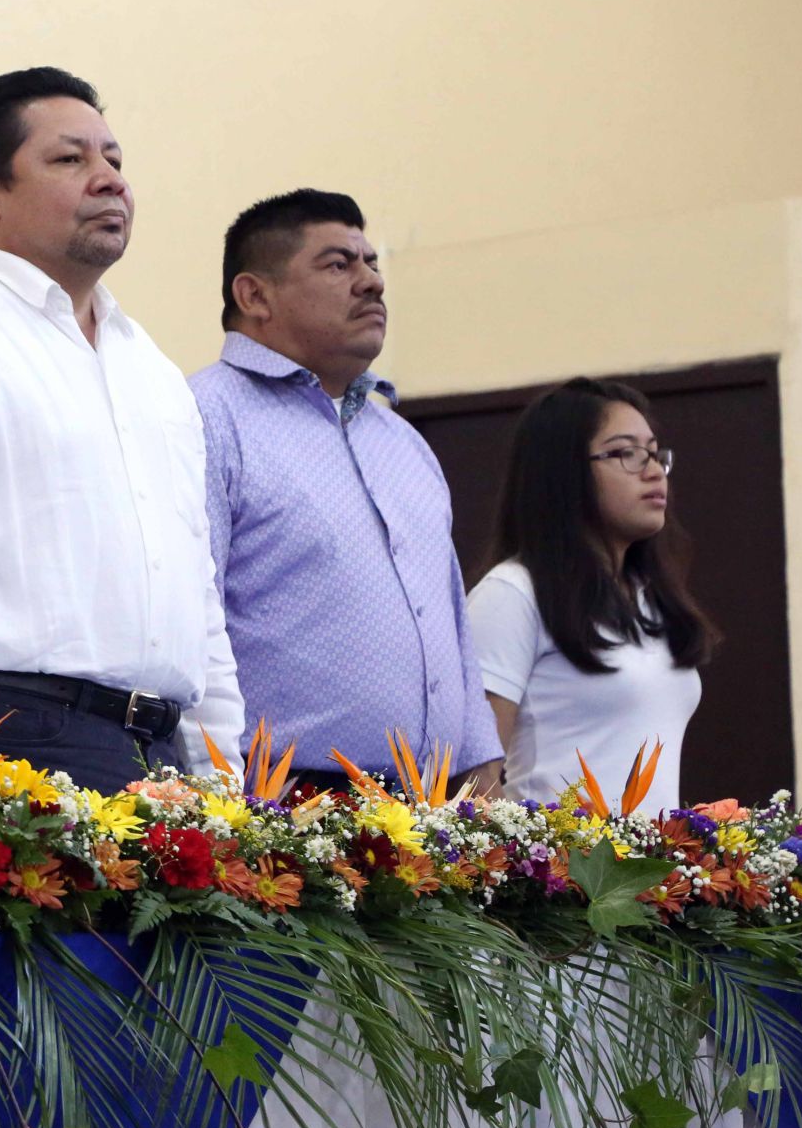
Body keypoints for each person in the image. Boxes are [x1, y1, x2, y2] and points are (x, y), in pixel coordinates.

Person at [0, 67, 244, 791]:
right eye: (70, 159)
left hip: (168, 759)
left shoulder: (149, 368)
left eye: (115, 160)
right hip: (24, 742)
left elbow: (196, 590)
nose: (109, 179)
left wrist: (222, 773)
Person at [190, 189, 500, 789]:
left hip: (437, 809)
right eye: (338, 265)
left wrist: (482, 761)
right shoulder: (204, 416)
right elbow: (188, 614)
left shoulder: (404, 442)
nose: (371, 283)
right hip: (283, 806)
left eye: (371, 263)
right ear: (254, 295)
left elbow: (451, 620)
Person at [466, 379, 715, 809]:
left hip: (652, 870)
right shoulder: (513, 593)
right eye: (627, 454)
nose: (654, 470)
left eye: (655, 453)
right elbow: (475, 777)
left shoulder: (649, 598)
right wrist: (534, 872)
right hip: (562, 869)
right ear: (564, 471)